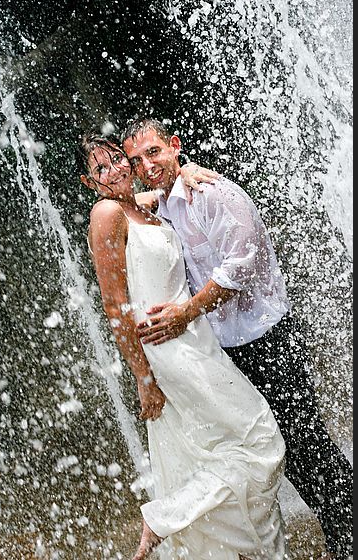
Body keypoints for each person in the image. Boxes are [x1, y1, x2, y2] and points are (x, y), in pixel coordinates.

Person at [122, 118, 353, 560]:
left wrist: (186, 311)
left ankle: (354, 531)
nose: (146, 165)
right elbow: (117, 205)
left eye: (154, 152)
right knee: (263, 451)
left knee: (303, 445)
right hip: (225, 349)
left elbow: (240, 266)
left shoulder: (213, 193)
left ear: (174, 145)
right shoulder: (163, 203)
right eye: (136, 161)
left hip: (266, 339)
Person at [79, 132, 288, 560]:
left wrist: (186, 169)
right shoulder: (106, 214)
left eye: (119, 160)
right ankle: (164, 516)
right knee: (261, 438)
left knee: (215, 448)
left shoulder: (144, 207)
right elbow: (114, 305)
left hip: (195, 335)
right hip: (167, 345)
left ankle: (239, 547)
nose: (117, 170)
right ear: (90, 182)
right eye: (101, 169)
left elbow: (167, 184)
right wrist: (143, 377)